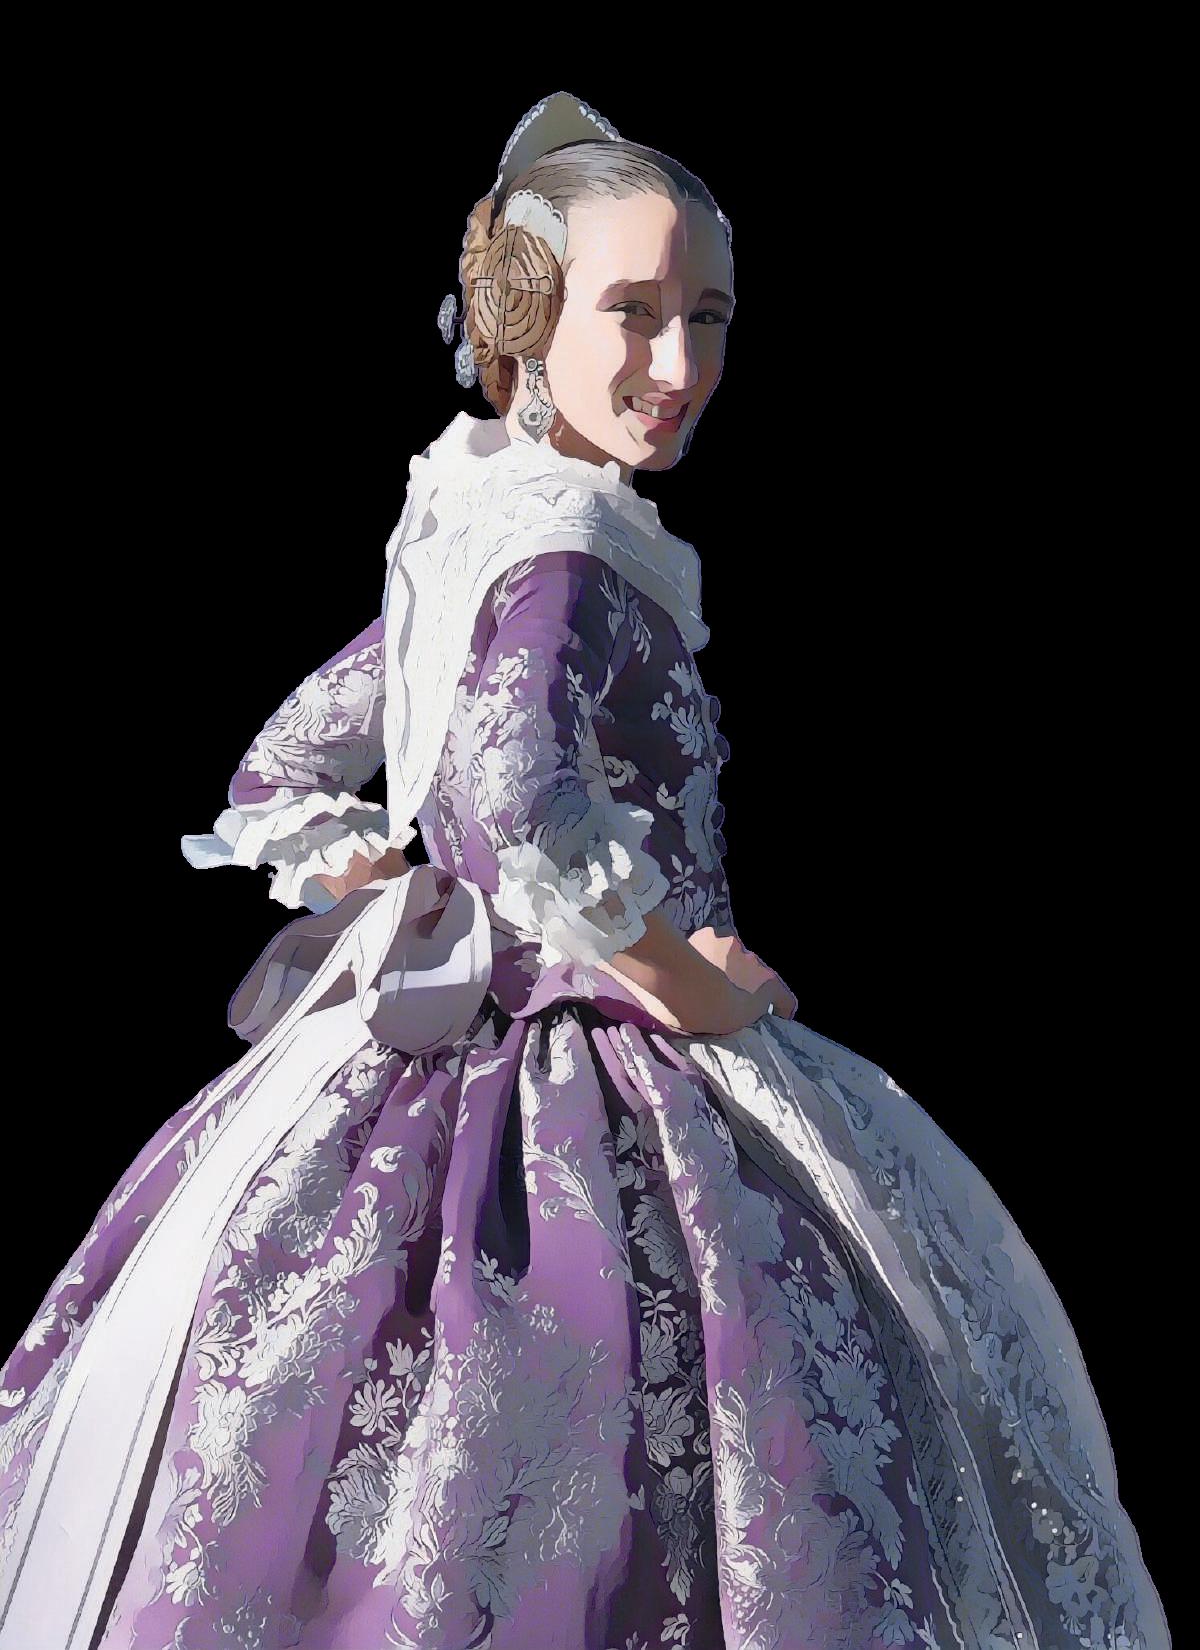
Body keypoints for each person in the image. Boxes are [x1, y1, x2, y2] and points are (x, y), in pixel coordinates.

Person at [0, 93, 1168, 1650]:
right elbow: (521, 798)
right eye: (633, 312)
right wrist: (683, 977)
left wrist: (405, 892)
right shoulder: (565, 555)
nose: (678, 366)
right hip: (587, 1078)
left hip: (414, 1064)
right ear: (530, 315)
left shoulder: (471, 530)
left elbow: (279, 772)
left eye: (710, 319)